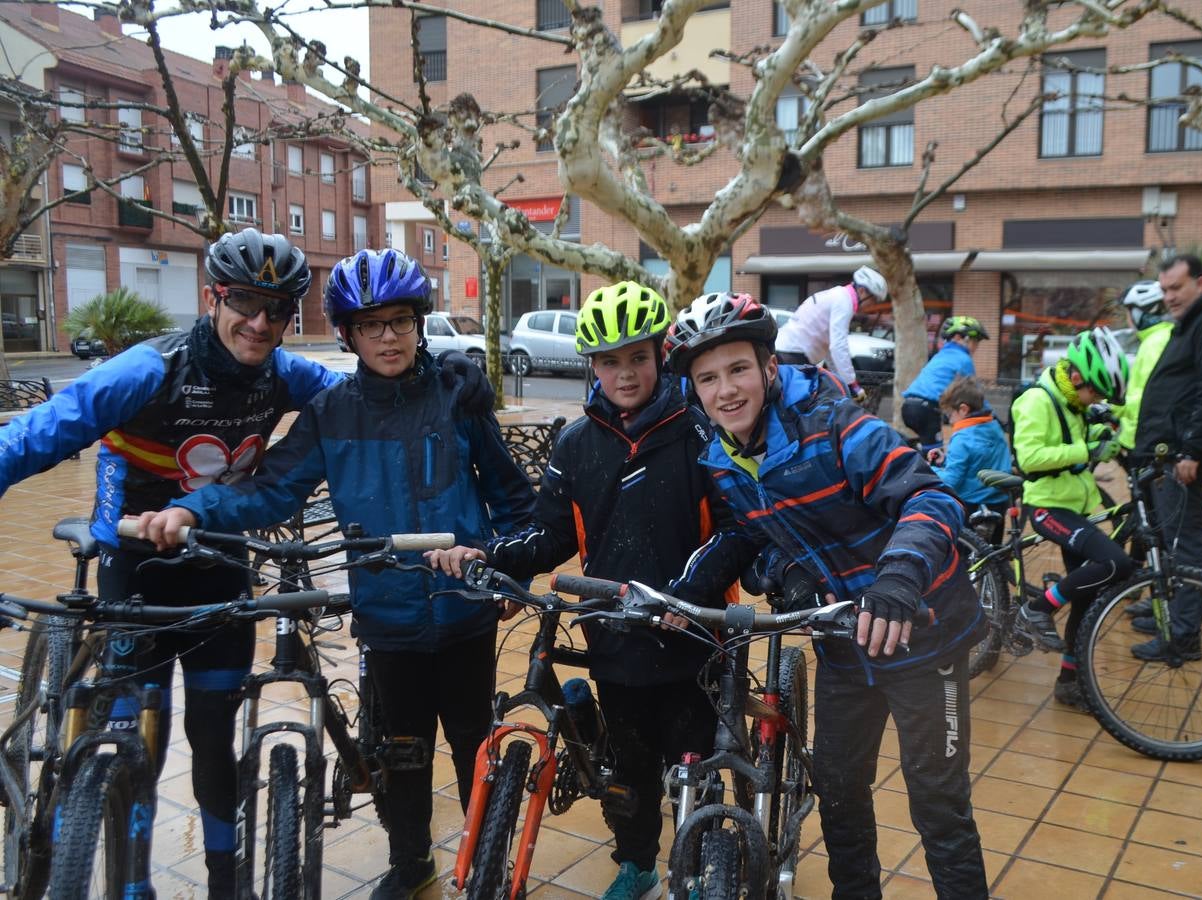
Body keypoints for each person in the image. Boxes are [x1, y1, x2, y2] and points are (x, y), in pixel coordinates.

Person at [139, 247, 534, 900]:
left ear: (420, 324)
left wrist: (504, 561)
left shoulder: (458, 396)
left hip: (465, 615)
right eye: (371, 324)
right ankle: (413, 863)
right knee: (399, 754)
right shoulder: (333, 411)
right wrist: (191, 508)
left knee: (474, 749)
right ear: (348, 333)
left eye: (402, 321)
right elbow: (270, 490)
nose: (388, 336)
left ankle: (485, 866)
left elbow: (512, 496)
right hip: (387, 621)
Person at [0, 228, 340, 898]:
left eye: (279, 309)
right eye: (246, 300)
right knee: (138, 742)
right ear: (215, 296)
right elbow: (34, 436)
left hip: (217, 566)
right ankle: (133, 883)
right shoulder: (149, 369)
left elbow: (358, 404)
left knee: (213, 735)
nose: (261, 322)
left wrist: (432, 384)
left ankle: (224, 882)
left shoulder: (286, 375)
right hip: (132, 563)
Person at [664, 292, 988, 900]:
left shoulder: (836, 425)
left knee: (938, 803)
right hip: (844, 645)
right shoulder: (723, 455)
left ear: (768, 367)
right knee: (838, 791)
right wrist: (783, 573)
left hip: (923, 632)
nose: (725, 390)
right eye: (707, 378)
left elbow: (932, 498)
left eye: (737, 369)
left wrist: (897, 577)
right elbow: (754, 534)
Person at [432, 281, 738, 900]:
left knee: (694, 765)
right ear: (591, 366)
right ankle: (638, 864)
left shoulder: (700, 431)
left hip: (692, 633)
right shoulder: (576, 443)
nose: (624, 373)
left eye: (637, 357)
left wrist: (686, 593)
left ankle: (700, 859)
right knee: (628, 769)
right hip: (615, 637)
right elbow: (548, 533)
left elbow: (734, 528)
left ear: (660, 356)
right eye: (609, 361)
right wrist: (490, 556)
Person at [1128, 254, 1202, 661]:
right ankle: (1170, 616)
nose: (1170, 297)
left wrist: (1193, 451)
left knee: (1184, 544)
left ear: (1200, 282)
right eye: (1164, 290)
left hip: (1181, 456)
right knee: (1168, 540)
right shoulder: (1192, 323)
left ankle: (1183, 636)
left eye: (1177, 287)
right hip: (1164, 453)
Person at [1012, 327, 1135, 711]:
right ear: (1077, 376)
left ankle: (1068, 682)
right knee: (1116, 562)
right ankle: (1038, 608)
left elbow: (1075, 442)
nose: (1096, 399)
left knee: (1087, 594)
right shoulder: (1036, 400)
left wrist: (1100, 430)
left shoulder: (1073, 402)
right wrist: (1085, 446)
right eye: (1095, 392)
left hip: (1075, 506)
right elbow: (1030, 458)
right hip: (1047, 507)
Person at [773, 265, 888, 403]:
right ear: (862, 291)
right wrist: (852, 384)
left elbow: (830, 347)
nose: (873, 304)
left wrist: (841, 378)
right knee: (799, 407)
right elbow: (838, 345)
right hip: (793, 354)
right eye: (874, 299)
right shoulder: (844, 302)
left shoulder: (839, 296)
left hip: (790, 351)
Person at [928, 375, 1013, 546]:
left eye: (950, 415)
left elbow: (952, 481)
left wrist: (930, 469)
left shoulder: (962, 438)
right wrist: (946, 460)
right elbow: (980, 463)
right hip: (998, 504)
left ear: (963, 409)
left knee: (966, 559)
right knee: (992, 558)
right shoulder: (994, 427)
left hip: (972, 507)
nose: (949, 420)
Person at [900, 315, 990, 450]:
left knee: (927, 446)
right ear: (959, 338)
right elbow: (974, 393)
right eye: (974, 341)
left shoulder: (940, 355)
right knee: (935, 455)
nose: (976, 346)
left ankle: (912, 450)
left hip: (908, 406)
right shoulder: (963, 359)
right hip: (927, 410)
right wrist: (991, 414)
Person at [1112, 280, 1175, 452]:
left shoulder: (1155, 343)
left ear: (1140, 312)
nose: (1128, 318)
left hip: (1145, 437)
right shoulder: (1162, 336)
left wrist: (1113, 408)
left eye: (1129, 311)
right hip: (1151, 434)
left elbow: (1149, 395)